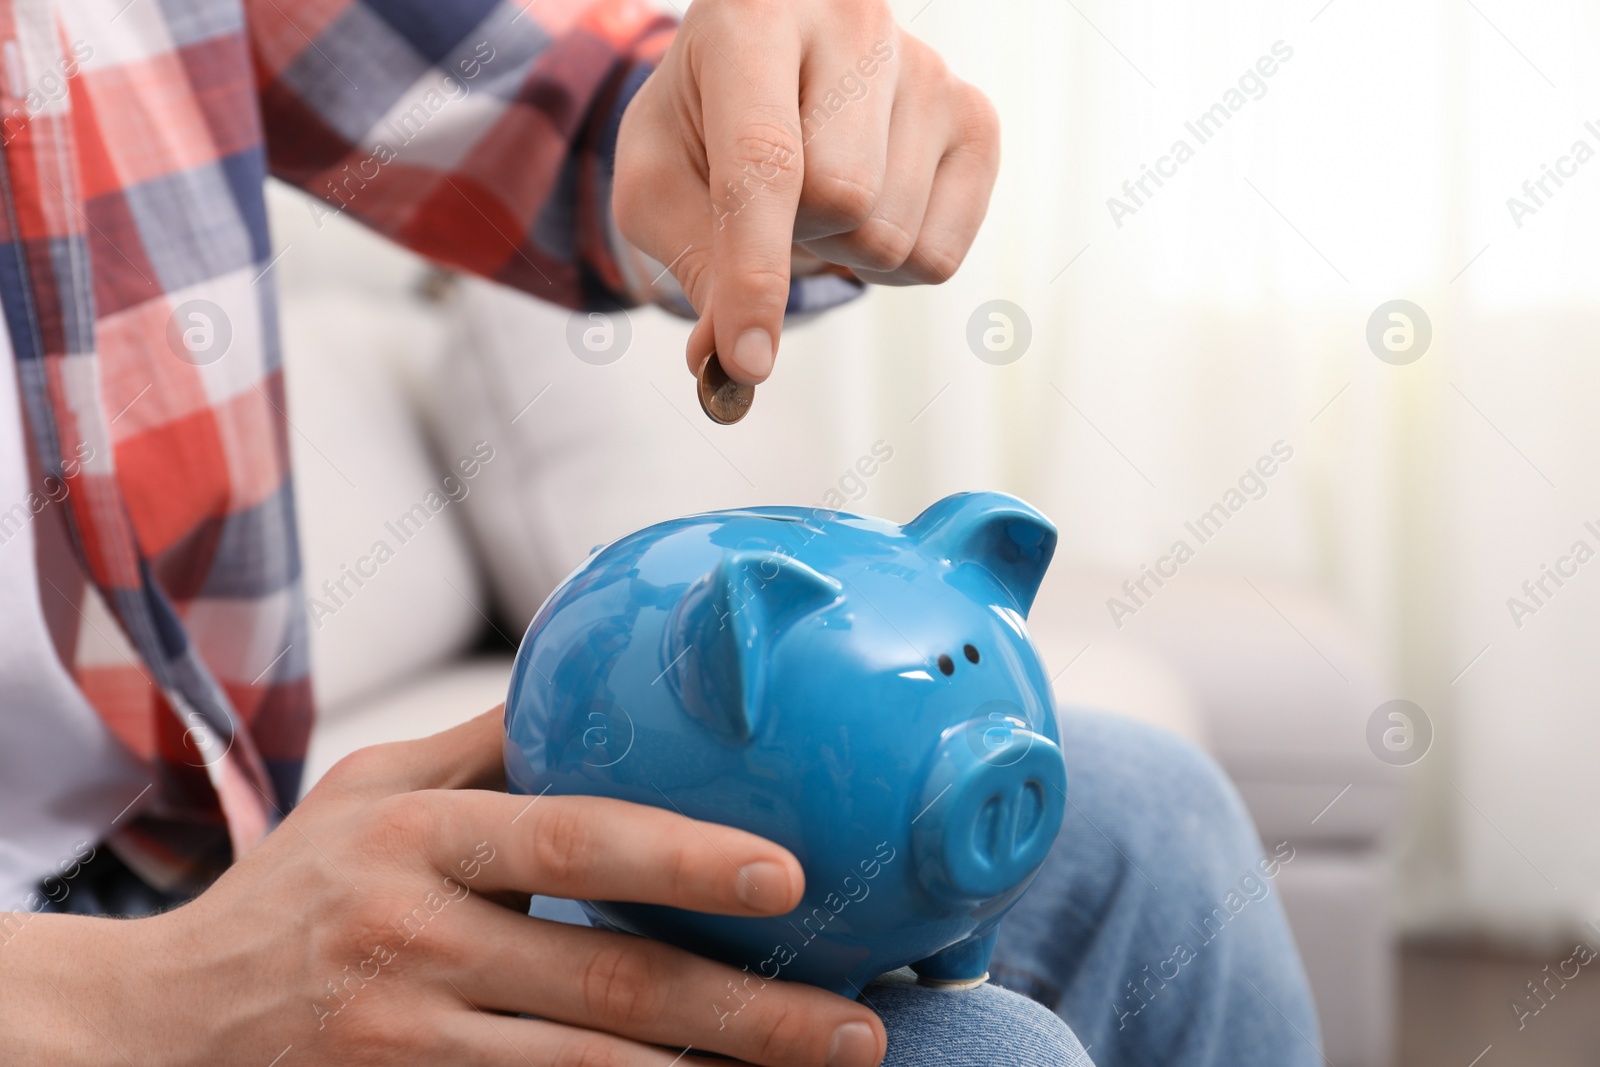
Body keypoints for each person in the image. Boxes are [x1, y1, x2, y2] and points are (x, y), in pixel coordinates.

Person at [0, 0, 1322, 1062]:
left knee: (1152, 814)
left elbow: (553, 110)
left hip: (154, 864)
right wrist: (133, 1003)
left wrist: (764, 118)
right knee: (977, 1048)